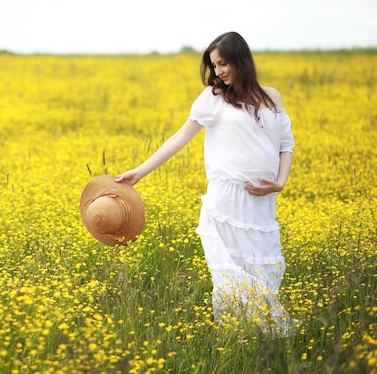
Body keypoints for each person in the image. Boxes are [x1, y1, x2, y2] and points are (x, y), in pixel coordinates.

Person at [115, 31, 298, 336]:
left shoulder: (271, 97)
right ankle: (237, 337)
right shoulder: (214, 98)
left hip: (262, 202)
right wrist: (139, 172)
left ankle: (262, 338)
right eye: (214, 66)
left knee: (265, 272)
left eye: (223, 63)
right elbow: (179, 138)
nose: (219, 72)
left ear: (242, 59)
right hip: (227, 199)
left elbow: (285, 145)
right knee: (231, 274)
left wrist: (279, 183)